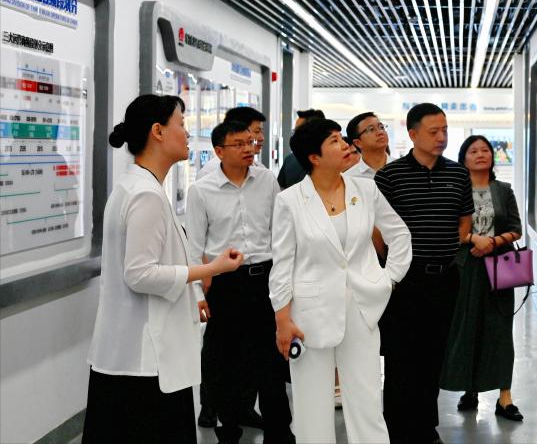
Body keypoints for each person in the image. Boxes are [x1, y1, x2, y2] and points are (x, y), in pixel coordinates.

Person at [83, 95, 245, 443]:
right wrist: (210, 269)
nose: (187, 133)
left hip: (130, 353)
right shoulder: (146, 195)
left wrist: (191, 294)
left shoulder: (136, 186)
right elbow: (139, 274)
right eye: (181, 124)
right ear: (157, 131)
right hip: (145, 361)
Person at [270, 119, 412, 443]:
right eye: (334, 141)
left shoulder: (366, 190)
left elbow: (400, 235)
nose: (346, 145)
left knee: (367, 402)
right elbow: (282, 264)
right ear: (314, 157)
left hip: (362, 308)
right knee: (311, 407)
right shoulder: (290, 201)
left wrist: (388, 279)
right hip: (309, 315)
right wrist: (282, 319)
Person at [186, 120, 294, 444]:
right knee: (226, 363)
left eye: (251, 142)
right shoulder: (201, 190)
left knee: (272, 362)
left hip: (266, 280)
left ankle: (280, 433)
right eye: (240, 144)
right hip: (226, 286)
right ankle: (228, 430)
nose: (249, 148)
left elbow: (280, 233)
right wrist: (197, 294)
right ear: (219, 151)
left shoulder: (267, 181)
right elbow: (193, 247)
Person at [374, 103, 475, 444]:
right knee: (401, 357)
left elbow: (464, 224)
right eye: (434, 131)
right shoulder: (389, 176)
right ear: (413, 134)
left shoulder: (458, 174)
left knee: (433, 356)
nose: (441, 137)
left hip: (445, 278)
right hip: (405, 281)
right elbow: (377, 233)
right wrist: (393, 268)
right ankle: (398, 430)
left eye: (445, 130)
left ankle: (425, 427)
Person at [440, 135, 524, 421]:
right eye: (473, 150)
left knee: (500, 330)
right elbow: (448, 228)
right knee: (467, 328)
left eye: (485, 150)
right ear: (463, 158)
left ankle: (505, 397)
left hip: (499, 266)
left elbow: (516, 228)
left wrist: (493, 241)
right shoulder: (455, 189)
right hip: (465, 268)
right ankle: (470, 389)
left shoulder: (503, 190)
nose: (480, 154)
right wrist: (473, 239)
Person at [197, 106, 267, 180]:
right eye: (257, 131)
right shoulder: (210, 172)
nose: (262, 138)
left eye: (261, 132)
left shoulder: (263, 172)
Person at [279, 108, 325, 189]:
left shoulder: (331, 162)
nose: (295, 136)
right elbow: (281, 190)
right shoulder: (289, 160)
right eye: (295, 131)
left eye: (298, 131)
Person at [344, 112, 391, 179]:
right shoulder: (349, 178)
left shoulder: (403, 168)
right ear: (358, 143)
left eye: (381, 127)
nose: (380, 132)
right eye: (371, 129)